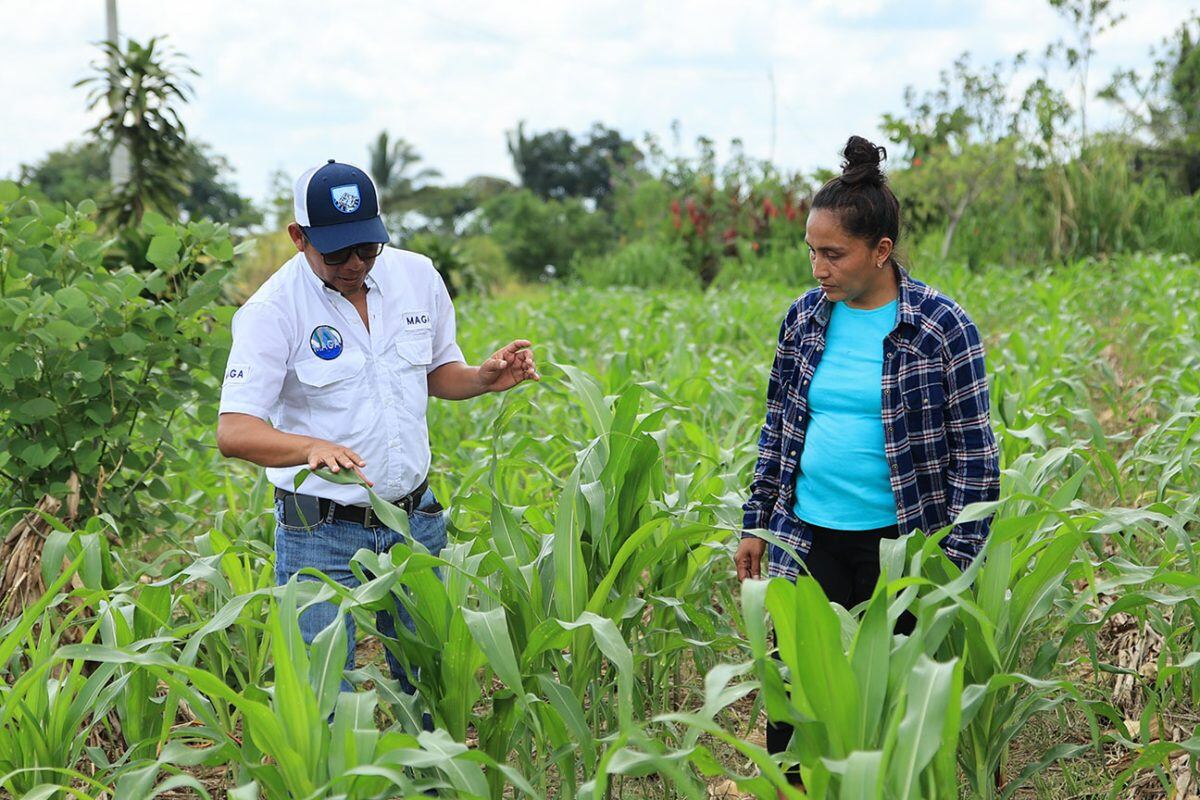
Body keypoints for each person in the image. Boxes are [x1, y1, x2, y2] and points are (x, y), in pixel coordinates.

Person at [733, 136, 1000, 787]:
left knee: (897, 704)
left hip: (903, 546)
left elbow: (977, 457)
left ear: (881, 252)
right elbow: (780, 427)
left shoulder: (941, 327)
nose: (818, 269)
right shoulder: (804, 319)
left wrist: (952, 563)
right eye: (812, 252)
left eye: (834, 254)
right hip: (809, 536)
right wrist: (756, 520)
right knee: (798, 698)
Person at [216, 159, 538, 693]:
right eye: (337, 251)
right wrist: (309, 446)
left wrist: (481, 378)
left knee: (432, 686)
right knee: (324, 698)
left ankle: (431, 780)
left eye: (367, 248)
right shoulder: (270, 311)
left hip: (415, 522)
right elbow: (235, 431)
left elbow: (437, 373)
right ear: (299, 237)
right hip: (318, 533)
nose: (355, 264)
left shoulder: (417, 277)